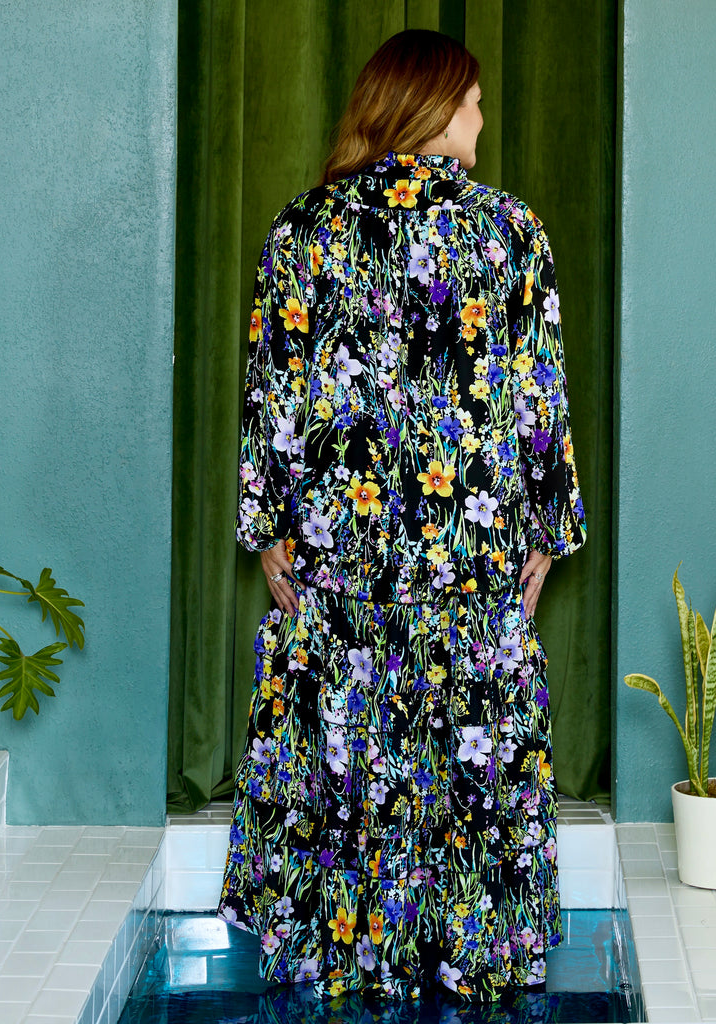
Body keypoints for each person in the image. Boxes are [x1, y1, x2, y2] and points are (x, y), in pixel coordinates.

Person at [218, 28, 585, 1003]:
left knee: (345, 748)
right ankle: (471, 948)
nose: (481, 119)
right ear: (432, 107)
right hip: (470, 559)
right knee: (470, 753)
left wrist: (269, 527)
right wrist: (547, 531)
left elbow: (273, 394)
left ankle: (344, 953)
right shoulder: (509, 227)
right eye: (473, 101)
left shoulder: (302, 228)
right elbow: (538, 396)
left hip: (341, 556)